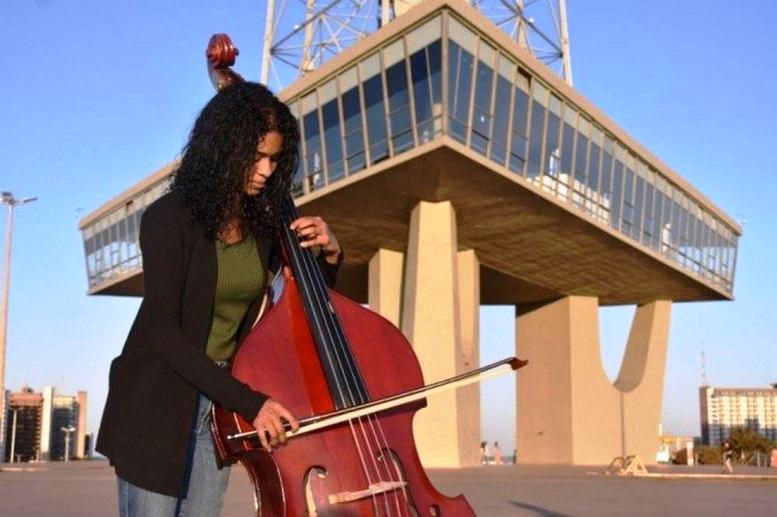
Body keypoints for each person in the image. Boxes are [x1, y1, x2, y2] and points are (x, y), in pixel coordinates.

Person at [96, 81, 343, 516]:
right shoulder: (168, 219)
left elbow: (301, 307)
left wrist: (331, 255)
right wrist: (251, 401)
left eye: (274, 159)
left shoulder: (262, 228)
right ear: (224, 147)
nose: (266, 170)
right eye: (256, 156)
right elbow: (164, 333)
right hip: (157, 404)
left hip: (219, 409)